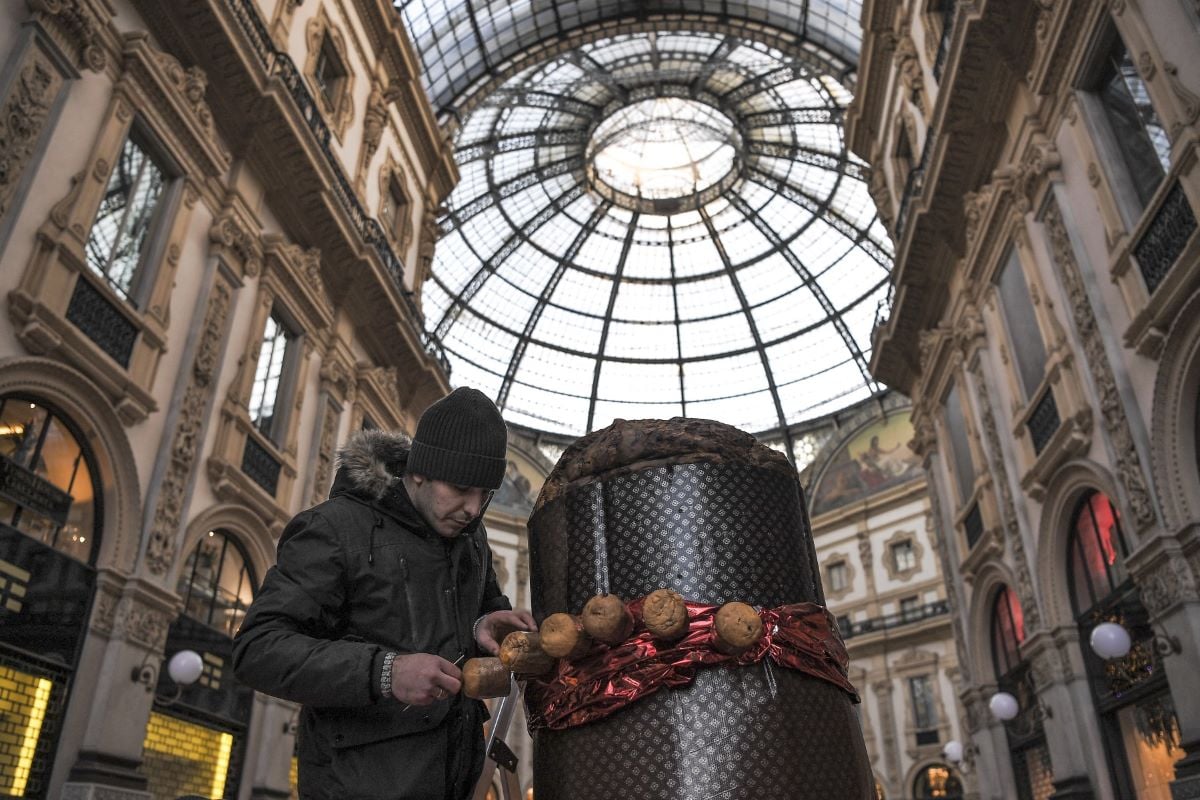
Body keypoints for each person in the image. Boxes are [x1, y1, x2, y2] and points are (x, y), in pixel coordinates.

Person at [233, 387, 536, 800]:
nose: (472, 508)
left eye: (485, 495)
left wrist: (487, 623)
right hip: (357, 786)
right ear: (419, 471)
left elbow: (472, 616)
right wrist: (386, 672)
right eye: (462, 489)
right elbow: (258, 648)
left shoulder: (471, 539)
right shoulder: (336, 528)